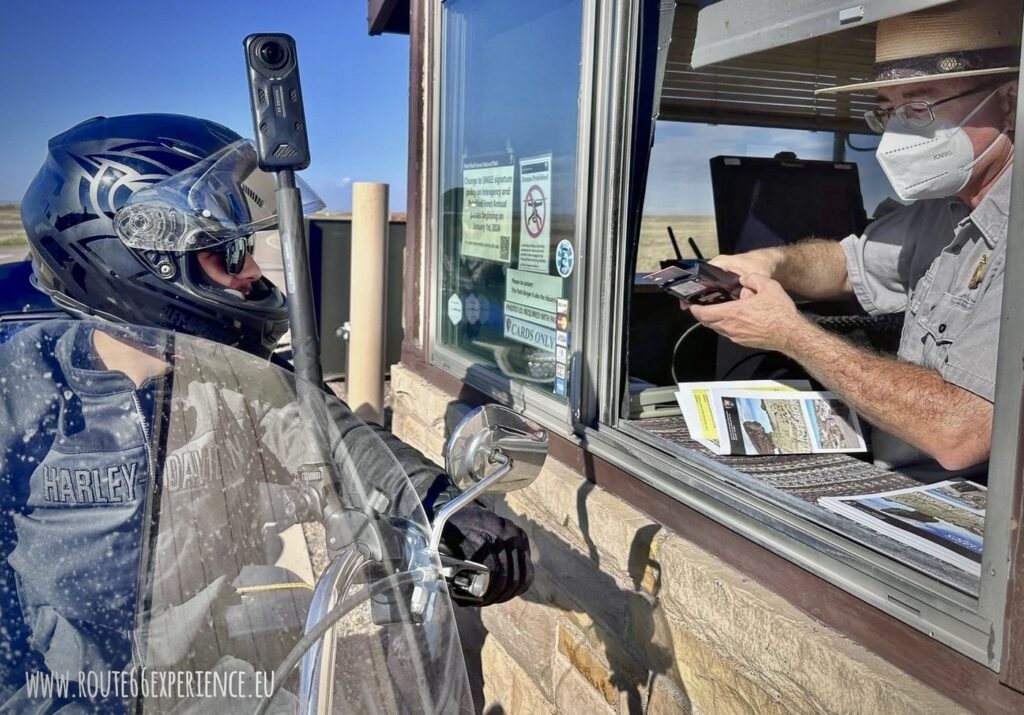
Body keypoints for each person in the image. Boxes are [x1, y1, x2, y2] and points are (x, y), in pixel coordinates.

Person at [0, 114, 531, 708]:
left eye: (246, 249)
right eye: (226, 254)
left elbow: (340, 440)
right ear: (133, 259)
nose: (252, 272)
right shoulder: (24, 390)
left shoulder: (230, 382)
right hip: (66, 693)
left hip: (218, 678)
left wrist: (436, 508)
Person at [686, 0, 1018, 482]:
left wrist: (789, 334)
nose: (900, 130)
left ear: (1009, 102)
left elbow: (960, 431)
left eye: (920, 105)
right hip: (898, 478)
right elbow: (846, 263)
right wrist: (770, 260)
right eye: (889, 110)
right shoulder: (941, 209)